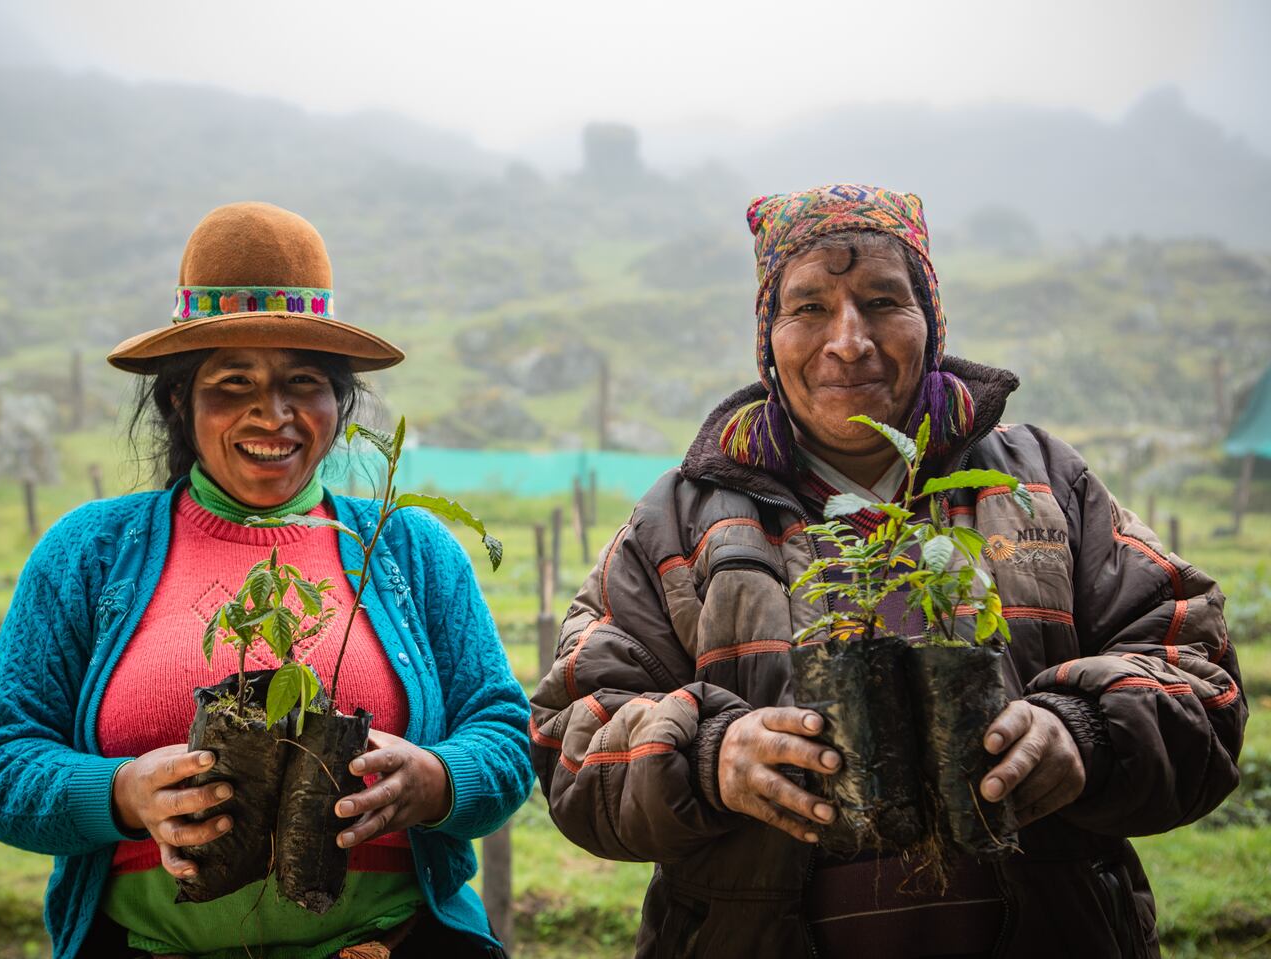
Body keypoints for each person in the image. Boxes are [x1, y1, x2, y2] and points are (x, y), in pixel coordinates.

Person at [528, 184, 1246, 958]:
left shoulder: (1042, 487)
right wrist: (708, 757)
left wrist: (1086, 734)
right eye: (808, 307)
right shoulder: (677, 522)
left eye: (881, 301)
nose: (848, 341)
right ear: (767, 335)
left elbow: (1199, 672)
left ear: (930, 319)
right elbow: (573, 734)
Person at [0, 201, 532, 959]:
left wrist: (435, 781)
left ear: (339, 402)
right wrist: (123, 793)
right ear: (179, 399)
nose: (274, 413)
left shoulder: (407, 546)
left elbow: (504, 735)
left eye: (304, 380)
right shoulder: (88, 552)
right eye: (234, 382)